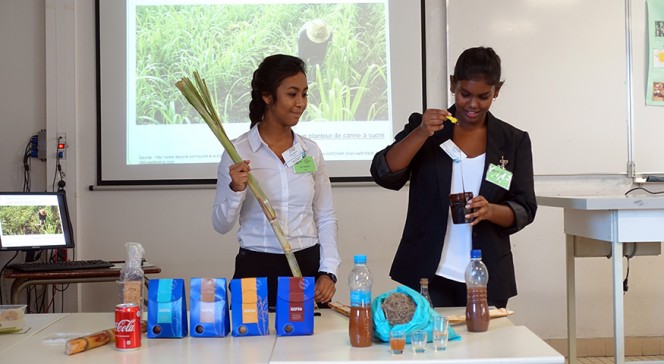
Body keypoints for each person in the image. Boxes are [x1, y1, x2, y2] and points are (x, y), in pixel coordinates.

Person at [370, 46, 536, 309]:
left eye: (484, 96)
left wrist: (491, 210)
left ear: (497, 91)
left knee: (485, 347)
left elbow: (525, 208)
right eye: (465, 94)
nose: (472, 104)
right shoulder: (428, 128)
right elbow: (384, 173)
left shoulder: (513, 141)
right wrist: (421, 132)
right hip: (428, 273)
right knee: (431, 346)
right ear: (452, 85)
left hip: (487, 275)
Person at [212, 54, 341, 308]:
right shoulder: (238, 152)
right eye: (292, 94)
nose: (301, 103)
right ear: (267, 96)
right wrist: (236, 189)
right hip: (256, 269)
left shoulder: (310, 151)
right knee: (251, 347)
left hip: (306, 267)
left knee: (310, 347)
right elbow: (220, 224)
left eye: (304, 94)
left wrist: (328, 271)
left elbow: (325, 216)